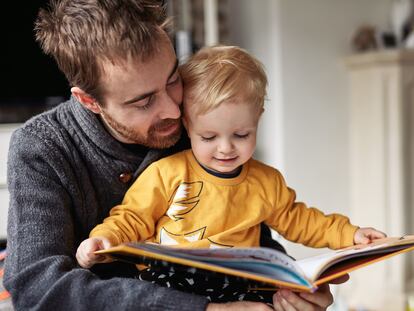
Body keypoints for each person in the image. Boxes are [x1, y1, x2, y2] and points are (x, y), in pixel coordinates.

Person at [3, 0, 347, 310]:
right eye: (143, 101)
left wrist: (288, 288)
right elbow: (38, 288)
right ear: (89, 101)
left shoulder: (198, 126)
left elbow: (248, 233)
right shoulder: (42, 147)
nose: (172, 109)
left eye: (172, 79)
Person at [76, 45, 386, 304]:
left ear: (258, 119)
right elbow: (133, 217)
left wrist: (351, 235)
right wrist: (105, 239)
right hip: (175, 277)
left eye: (241, 134)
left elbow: (301, 220)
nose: (226, 149)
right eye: (208, 138)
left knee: (278, 297)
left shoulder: (266, 182)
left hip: (239, 281)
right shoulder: (167, 172)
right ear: (187, 125)